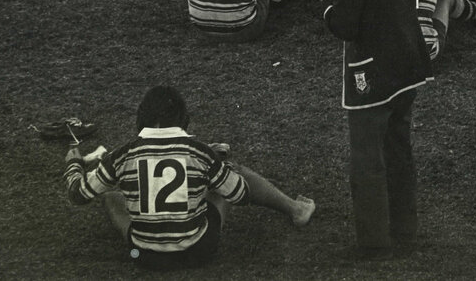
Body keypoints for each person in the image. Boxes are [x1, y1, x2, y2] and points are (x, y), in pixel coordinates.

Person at [63, 85, 315, 270]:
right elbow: (240, 194)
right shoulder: (200, 152)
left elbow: (77, 194)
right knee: (228, 174)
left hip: (143, 256)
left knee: (110, 196)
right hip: (198, 252)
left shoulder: (121, 155)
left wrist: (74, 163)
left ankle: (150, 235)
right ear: (183, 119)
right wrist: (216, 166)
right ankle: (296, 208)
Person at [311, 0, 432, 256]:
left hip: (373, 74)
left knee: (367, 159)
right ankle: (405, 232)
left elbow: (346, 26)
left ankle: (374, 243)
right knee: (399, 148)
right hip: (409, 63)